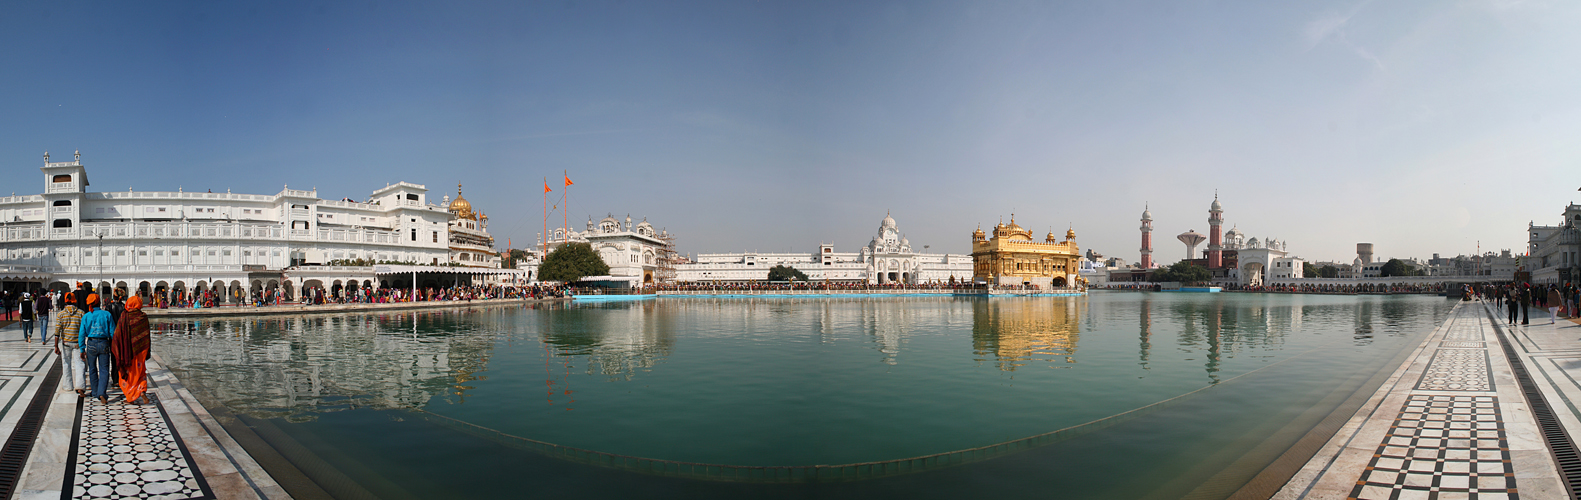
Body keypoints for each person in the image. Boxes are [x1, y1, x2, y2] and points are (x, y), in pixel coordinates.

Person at [112, 296, 150, 405]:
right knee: (140, 371)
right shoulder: (143, 317)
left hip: (127, 352)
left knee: (128, 374)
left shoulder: (125, 317)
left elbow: (117, 335)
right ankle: (141, 390)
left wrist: (117, 347)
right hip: (141, 350)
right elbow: (147, 335)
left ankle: (131, 397)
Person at [78, 294, 115, 405]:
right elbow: (113, 332)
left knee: (92, 369)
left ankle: (94, 391)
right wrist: (115, 346)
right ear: (99, 302)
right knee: (104, 369)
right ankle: (101, 393)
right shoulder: (107, 314)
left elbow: (81, 334)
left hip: (91, 343)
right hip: (104, 342)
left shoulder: (86, 316)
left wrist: (82, 349)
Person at [54, 301, 86, 396]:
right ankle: (80, 385)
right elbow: (84, 328)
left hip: (66, 343)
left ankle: (68, 386)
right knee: (80, 363)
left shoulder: (61, 314)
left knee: (66, 363)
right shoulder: (81, 313)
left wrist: (56, 346)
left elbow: (57, 331)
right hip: (77, 343)